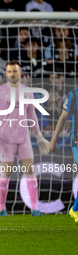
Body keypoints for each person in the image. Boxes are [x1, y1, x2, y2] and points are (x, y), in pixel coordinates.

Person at [0, 60, 49, 217]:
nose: (13, 74)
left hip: (24, 138)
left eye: (15, 71)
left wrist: (39, 136)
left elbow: (31, 113)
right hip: (5, 139)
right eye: (10, 71)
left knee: (30, 170)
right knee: (6, 172)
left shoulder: (28, 91)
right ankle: (1, 208)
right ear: (6, 74)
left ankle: (34, 208)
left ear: (20, 73)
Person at [49, 87, 78, 223]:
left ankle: (75, 208)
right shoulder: (74, 94)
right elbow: (63, 117)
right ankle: (75, 209)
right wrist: (54, 139)